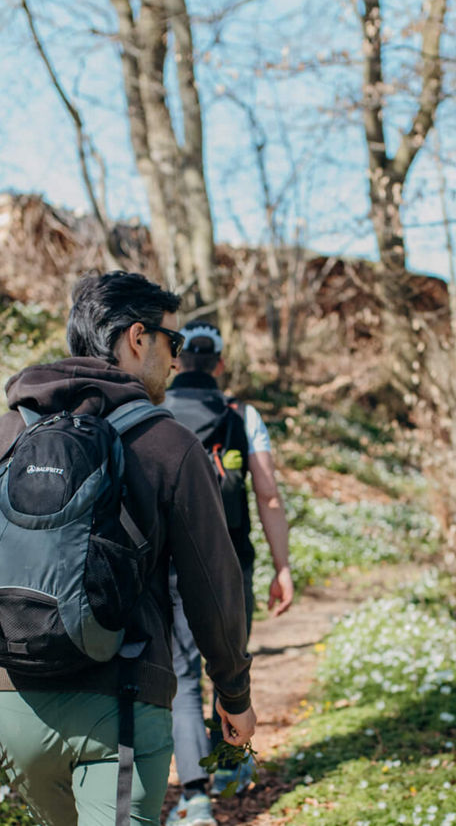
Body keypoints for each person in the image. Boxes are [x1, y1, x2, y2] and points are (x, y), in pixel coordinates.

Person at [0, 271, 256, 825]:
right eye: (171, 343)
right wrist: (233, 692)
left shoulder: (2, 436)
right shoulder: (168, 443)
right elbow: (213, 583)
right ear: (137, 337)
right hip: (123, 704)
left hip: (15, 709)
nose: (176, 361)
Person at [161, 320, 293, 826]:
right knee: (229, 662)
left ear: (177, 362)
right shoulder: (243, 414)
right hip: (233, 562)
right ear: (218, 363)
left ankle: (194, 799)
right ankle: (230, 767)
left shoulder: (156, 412)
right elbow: (268, 494)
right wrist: (283, 566)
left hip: (172, 564)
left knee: (182, 674)